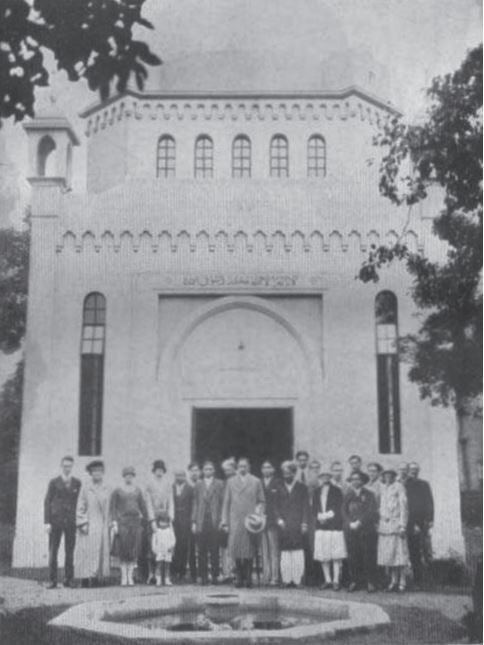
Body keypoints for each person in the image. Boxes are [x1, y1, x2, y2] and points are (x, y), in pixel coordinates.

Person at [222, 457, 265, 588]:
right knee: (236, 548)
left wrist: (257, 514)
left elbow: (261, 501)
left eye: (244, 466)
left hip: (250, 520)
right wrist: (225, 521)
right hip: (235, 519)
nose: (242, 468)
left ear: (249, 467)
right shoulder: (230, 482)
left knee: (249, 549)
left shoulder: (256, 481)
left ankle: (248, 577)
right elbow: (226, 503)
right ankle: (238, 577)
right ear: (237, 468)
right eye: (240, 466)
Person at [44, 456, 81, 589]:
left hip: (71, 521)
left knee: (69, 551)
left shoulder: (77, 483)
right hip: (56, 521)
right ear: (61, 466)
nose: (67, 468)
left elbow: (80, 503)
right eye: (65, 466)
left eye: (69, 466)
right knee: (53, 551)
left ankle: (68, 579)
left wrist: (79, 520)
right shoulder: (54, 482)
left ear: (72, 467)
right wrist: (47, 522)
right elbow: (47, 502)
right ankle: (52, 580)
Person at [109, 466, 150, 586]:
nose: (129, 477)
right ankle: (123, 577)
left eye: (131, 475)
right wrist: (114, 522)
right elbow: (113, 508)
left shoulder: (137, 490)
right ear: (123, 476)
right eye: (127, 475)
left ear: (133, 476)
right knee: (123, 551)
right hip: (123, 524)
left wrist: (147, 520)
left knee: (133, 551)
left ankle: (130, 577)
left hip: (135, 523)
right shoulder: (117, 490)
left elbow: (143, 506)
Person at [75, 460, 112, 588]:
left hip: (101, 524)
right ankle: (84, 579)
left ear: (103, 473)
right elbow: (81, 506)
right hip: (89, 524)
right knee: (86, 552)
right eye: (94, 471)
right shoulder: (85, 487)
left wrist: (110, 523)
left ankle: (96, 577)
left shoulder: (107, 488)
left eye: (100, 471)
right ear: (91, 473)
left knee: (99, 551)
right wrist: (82, 522)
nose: (97, 474)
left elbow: (110, 507)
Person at [343, 471, 378, 593]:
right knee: (353, 555)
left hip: (366, 529)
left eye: (358, 479)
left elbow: (371, 511)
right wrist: (350, 523)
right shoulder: (347, 495)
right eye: (353, 479)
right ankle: (355, 581)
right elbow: (343, 511)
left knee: (368, 555)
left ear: (362, 481)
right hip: (351, 530)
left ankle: (370, 582)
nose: (355, 481)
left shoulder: (369, 495)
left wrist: (360, 522)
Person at [276, 461, 310, 588]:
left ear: (294, 473)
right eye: (284, 473)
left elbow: (306, 506)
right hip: (283, 524)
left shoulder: (302, 488)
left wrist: (304, 523)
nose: (286, 476)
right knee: (285, 552)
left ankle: (297, 579)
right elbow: (275, 506)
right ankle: (286, 579)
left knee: (297, 552)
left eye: (289, 473)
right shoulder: (278, 487)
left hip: (297, 523)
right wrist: (279, 519)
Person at [312, 467, 346, 591]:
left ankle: (336, 580)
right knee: (323, 553)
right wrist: (319, 516)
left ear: (330, 477)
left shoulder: (337, 491)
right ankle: (328, 580)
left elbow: (338, 507)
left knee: (335, 554)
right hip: (321, 526)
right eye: (322, 476)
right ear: (320, 477)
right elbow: (314, 507)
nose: (325, 478)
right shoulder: (316, 491)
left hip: (334, 525)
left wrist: (326, 516)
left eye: (327, 475)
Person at [192, 461, 224, 585]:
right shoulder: (198, 485)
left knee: (215, 550)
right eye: (206, 469)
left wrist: (222, 520)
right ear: (202, 471)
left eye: (210, 469)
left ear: (214, 471)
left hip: (214, 520)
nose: (208, 471)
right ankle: (203, 576)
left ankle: (215, 575)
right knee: (201, 550)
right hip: (201, 520)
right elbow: (195, 503)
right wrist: (194, 521)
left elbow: (222, 503)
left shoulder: (219, 484)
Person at [377, 469, 409, 592]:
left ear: (394, 476)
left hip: (396, 525)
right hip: (385, 526)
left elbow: (403, 506)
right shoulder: (383, 488)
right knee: (390, 555)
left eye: (390, 475)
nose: (388, 478)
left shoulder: (399, 487)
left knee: (400, 554)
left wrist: (402, 525)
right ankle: (393, 581)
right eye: (385, 476)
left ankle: (402, 581)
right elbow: (381, 506)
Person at [144, 460, 175, 583]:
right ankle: (152, 574)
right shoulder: (149, 484)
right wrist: (152, 520)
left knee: (166, 546)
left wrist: (171, 517)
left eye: (161, 470)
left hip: (165, 519)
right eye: (157, 470)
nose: (159, 472)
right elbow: (148, 502)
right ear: (154, 471)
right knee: (152, 548)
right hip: (154, 518)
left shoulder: (168, 484)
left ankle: (165, 575)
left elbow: (171, 501)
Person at [406, 462, 434, 587]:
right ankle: (411, 578)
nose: (414, 471)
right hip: (408, 522)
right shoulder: (405, 484)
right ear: (408, 471)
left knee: (421, 550)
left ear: (419, 470)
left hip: (421, 522)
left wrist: (429, 519)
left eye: (416, 469)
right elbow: (407, 506)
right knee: (410, 550)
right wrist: (412, 524)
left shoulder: (424, 484)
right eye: (411, 469)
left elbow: (429, 502)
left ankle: (421, 579)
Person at [171, 469, 194, 582]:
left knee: (184, 547)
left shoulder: (190, 489)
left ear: (185, 477)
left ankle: (182, 572)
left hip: (185, 521)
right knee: (174, 546)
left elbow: (192, 505)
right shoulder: (171, 488)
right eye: (177, 475)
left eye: (181, 475)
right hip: (174, 520)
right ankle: (174, 572)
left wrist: (191, 520)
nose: (179, 477)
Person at [260, 460, 280, 586]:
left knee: (274, 550)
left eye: (269, 467)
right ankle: (266, 576)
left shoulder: (278, 483)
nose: (266, 470)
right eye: (264, 467)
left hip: (273, 520)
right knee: (264, 549)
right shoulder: (259, 482)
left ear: (273, 470)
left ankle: (275, 577)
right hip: (261, 520)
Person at [220, 458, 237, 582]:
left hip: (236, 518)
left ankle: (234, 571)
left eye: (229, 469)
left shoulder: (238, 482)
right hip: (225, 518)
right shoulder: (224, 483)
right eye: (225, 470)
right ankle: (227, 572)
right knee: (224, 545)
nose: (226, 472)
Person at [151, 511, 176, 586]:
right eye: (162, 522)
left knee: (167, 566)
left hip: (167, 551)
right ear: (158, 522)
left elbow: (173, 540)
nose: (163, 524)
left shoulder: (170, 531)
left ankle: (167, 579)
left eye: (165, 522)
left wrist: (171, 546)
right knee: (159, 565)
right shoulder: (156, 531)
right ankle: (158, 580)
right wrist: (154, 549)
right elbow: (153, 541)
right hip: (159, 551)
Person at [187, 461, 201, 581]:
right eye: (192, 471)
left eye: (196, 470)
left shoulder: (202, 485)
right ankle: (193, 574)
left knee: (201, 547)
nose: (194, 473)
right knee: (191, 547)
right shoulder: (187, 486)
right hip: (189, 520)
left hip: (202, 519)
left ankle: (202, 573)